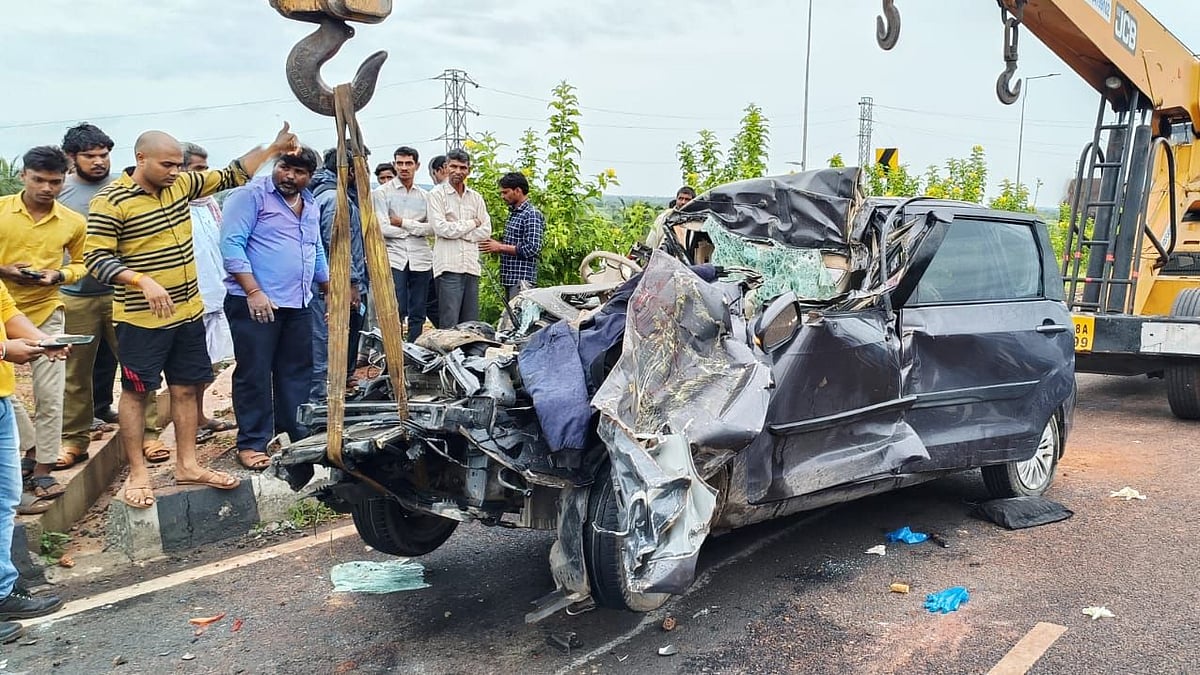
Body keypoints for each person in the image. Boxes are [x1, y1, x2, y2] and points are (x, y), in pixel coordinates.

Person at [84, 124, 300, 508]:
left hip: (187, 313)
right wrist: (141, 281)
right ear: (140, 159)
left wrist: (272, 148)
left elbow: (233, 172)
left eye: (179, 165)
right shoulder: (111, 201)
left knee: (188, 387)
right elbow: (97, 259)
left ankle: (188, 464)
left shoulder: (180, 186)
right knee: (137, 393)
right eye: (167, 164)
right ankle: (138, 473)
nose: (174, 171)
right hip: (140, 320)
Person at [58, 124, 164, 473]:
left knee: (138, 368)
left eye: (104, 155)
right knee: (76, 372)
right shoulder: (60, 191)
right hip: (76, 296)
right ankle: (74, 440)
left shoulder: (127, 185)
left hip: (125, 293)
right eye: (90, 156)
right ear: (71, 158)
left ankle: (150, 436)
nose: (100, 162)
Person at [221, 146, 327, 471]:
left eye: (299, 172)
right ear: (275, 165)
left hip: (297, 302)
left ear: (310, 177)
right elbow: (231, 243)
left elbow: (315, 247)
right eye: (285, 167)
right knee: (254, 372)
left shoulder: (309, 204)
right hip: (255, 303)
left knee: (296, 372)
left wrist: (328, 286)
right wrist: (253, 290)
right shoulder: (250, 196)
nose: (290, 176)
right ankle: (252, 442)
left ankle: (292, 435)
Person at [0, 146, 86, 514]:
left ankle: (44, 469)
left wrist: (60, 274)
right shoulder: (1, 210)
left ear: (64, 179)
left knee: (50, 394)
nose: (47, 188)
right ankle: (31, 447)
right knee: (7, 392)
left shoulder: (72, 221)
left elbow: (82, 264)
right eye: (39, 180)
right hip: (4, 312)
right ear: (23, 176)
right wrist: (6, 271)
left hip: (46, 310)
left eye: (55, 181)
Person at [0, 283, 67, 642]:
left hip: (1, 398)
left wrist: (43, 340)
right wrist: (3, 350)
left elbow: (8, 312)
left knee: (4, 499)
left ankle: (2, 593)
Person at [181, 143, 237, 443]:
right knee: (190, 366)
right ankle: (190, 424)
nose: (203, 176)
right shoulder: (175, 207)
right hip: (190, 298)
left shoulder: (211, 204)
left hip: (217, 293)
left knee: (211, 362)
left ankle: (201, 415)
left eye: (205, 169)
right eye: (196, 170)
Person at [308, 148, 368, 402]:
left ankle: (328, 393)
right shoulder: (334, 199)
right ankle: (321, 400)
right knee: (325, 341)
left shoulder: (333, 194)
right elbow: (336, 246)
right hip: (330, 285)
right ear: (352, 170)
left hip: (328, 283)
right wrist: (351, 283)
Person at [373, 146, 432, 341]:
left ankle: (414, 351)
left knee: (418, 310)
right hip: (394, 257)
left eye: (408, 163)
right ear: (394, 164)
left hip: (421, 258)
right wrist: (415, 229)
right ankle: (393, 354)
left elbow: (432, 228)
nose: (404, 168)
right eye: (400, 163)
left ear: (417, 166)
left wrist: (403, 223)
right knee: (395, 309)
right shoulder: (381, 193)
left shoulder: (425, 196)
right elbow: (382, 228)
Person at [428, 149, 491, 327]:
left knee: (471, 324)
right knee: (449, 323)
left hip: (471, 266)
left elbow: (486, 230)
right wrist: (472, 223)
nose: (458, 171)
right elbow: (441, 229)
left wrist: (457, 229)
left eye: (462, 167)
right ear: (446, 168)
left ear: (469, 170)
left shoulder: (476, 197)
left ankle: (469, 356)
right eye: (453, 166)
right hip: (448, 266)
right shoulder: (436, 195)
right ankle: (449, 356)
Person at [480, 172, 545, 299]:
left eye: (505, 192)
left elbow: (532, 248)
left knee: (518, 317)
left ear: (518, 191)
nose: (502, 196)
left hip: (522, 281)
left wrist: (500, 247)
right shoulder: (514, 213)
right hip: (510, 279)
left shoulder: (531, 214)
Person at [645, 185, 696, 250]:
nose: (683, 202)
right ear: (676, 200)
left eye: (687, 199)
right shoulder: (665, 217)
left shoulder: (697, 220)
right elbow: (652, 240)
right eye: (680, 198)